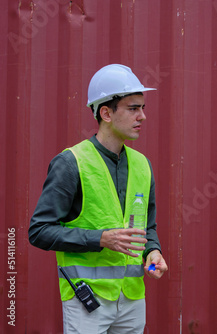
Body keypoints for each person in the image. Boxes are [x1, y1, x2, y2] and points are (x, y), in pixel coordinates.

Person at [29, 64, 168, 333]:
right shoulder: (71, 163)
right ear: (106, 113)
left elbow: (147, 228)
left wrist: (153, 251)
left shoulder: (142, 165)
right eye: (133, 108)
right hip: (87, 302)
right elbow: (39, 231)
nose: (143, 116)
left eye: (143, 107)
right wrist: (101, 239)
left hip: (132, 300)